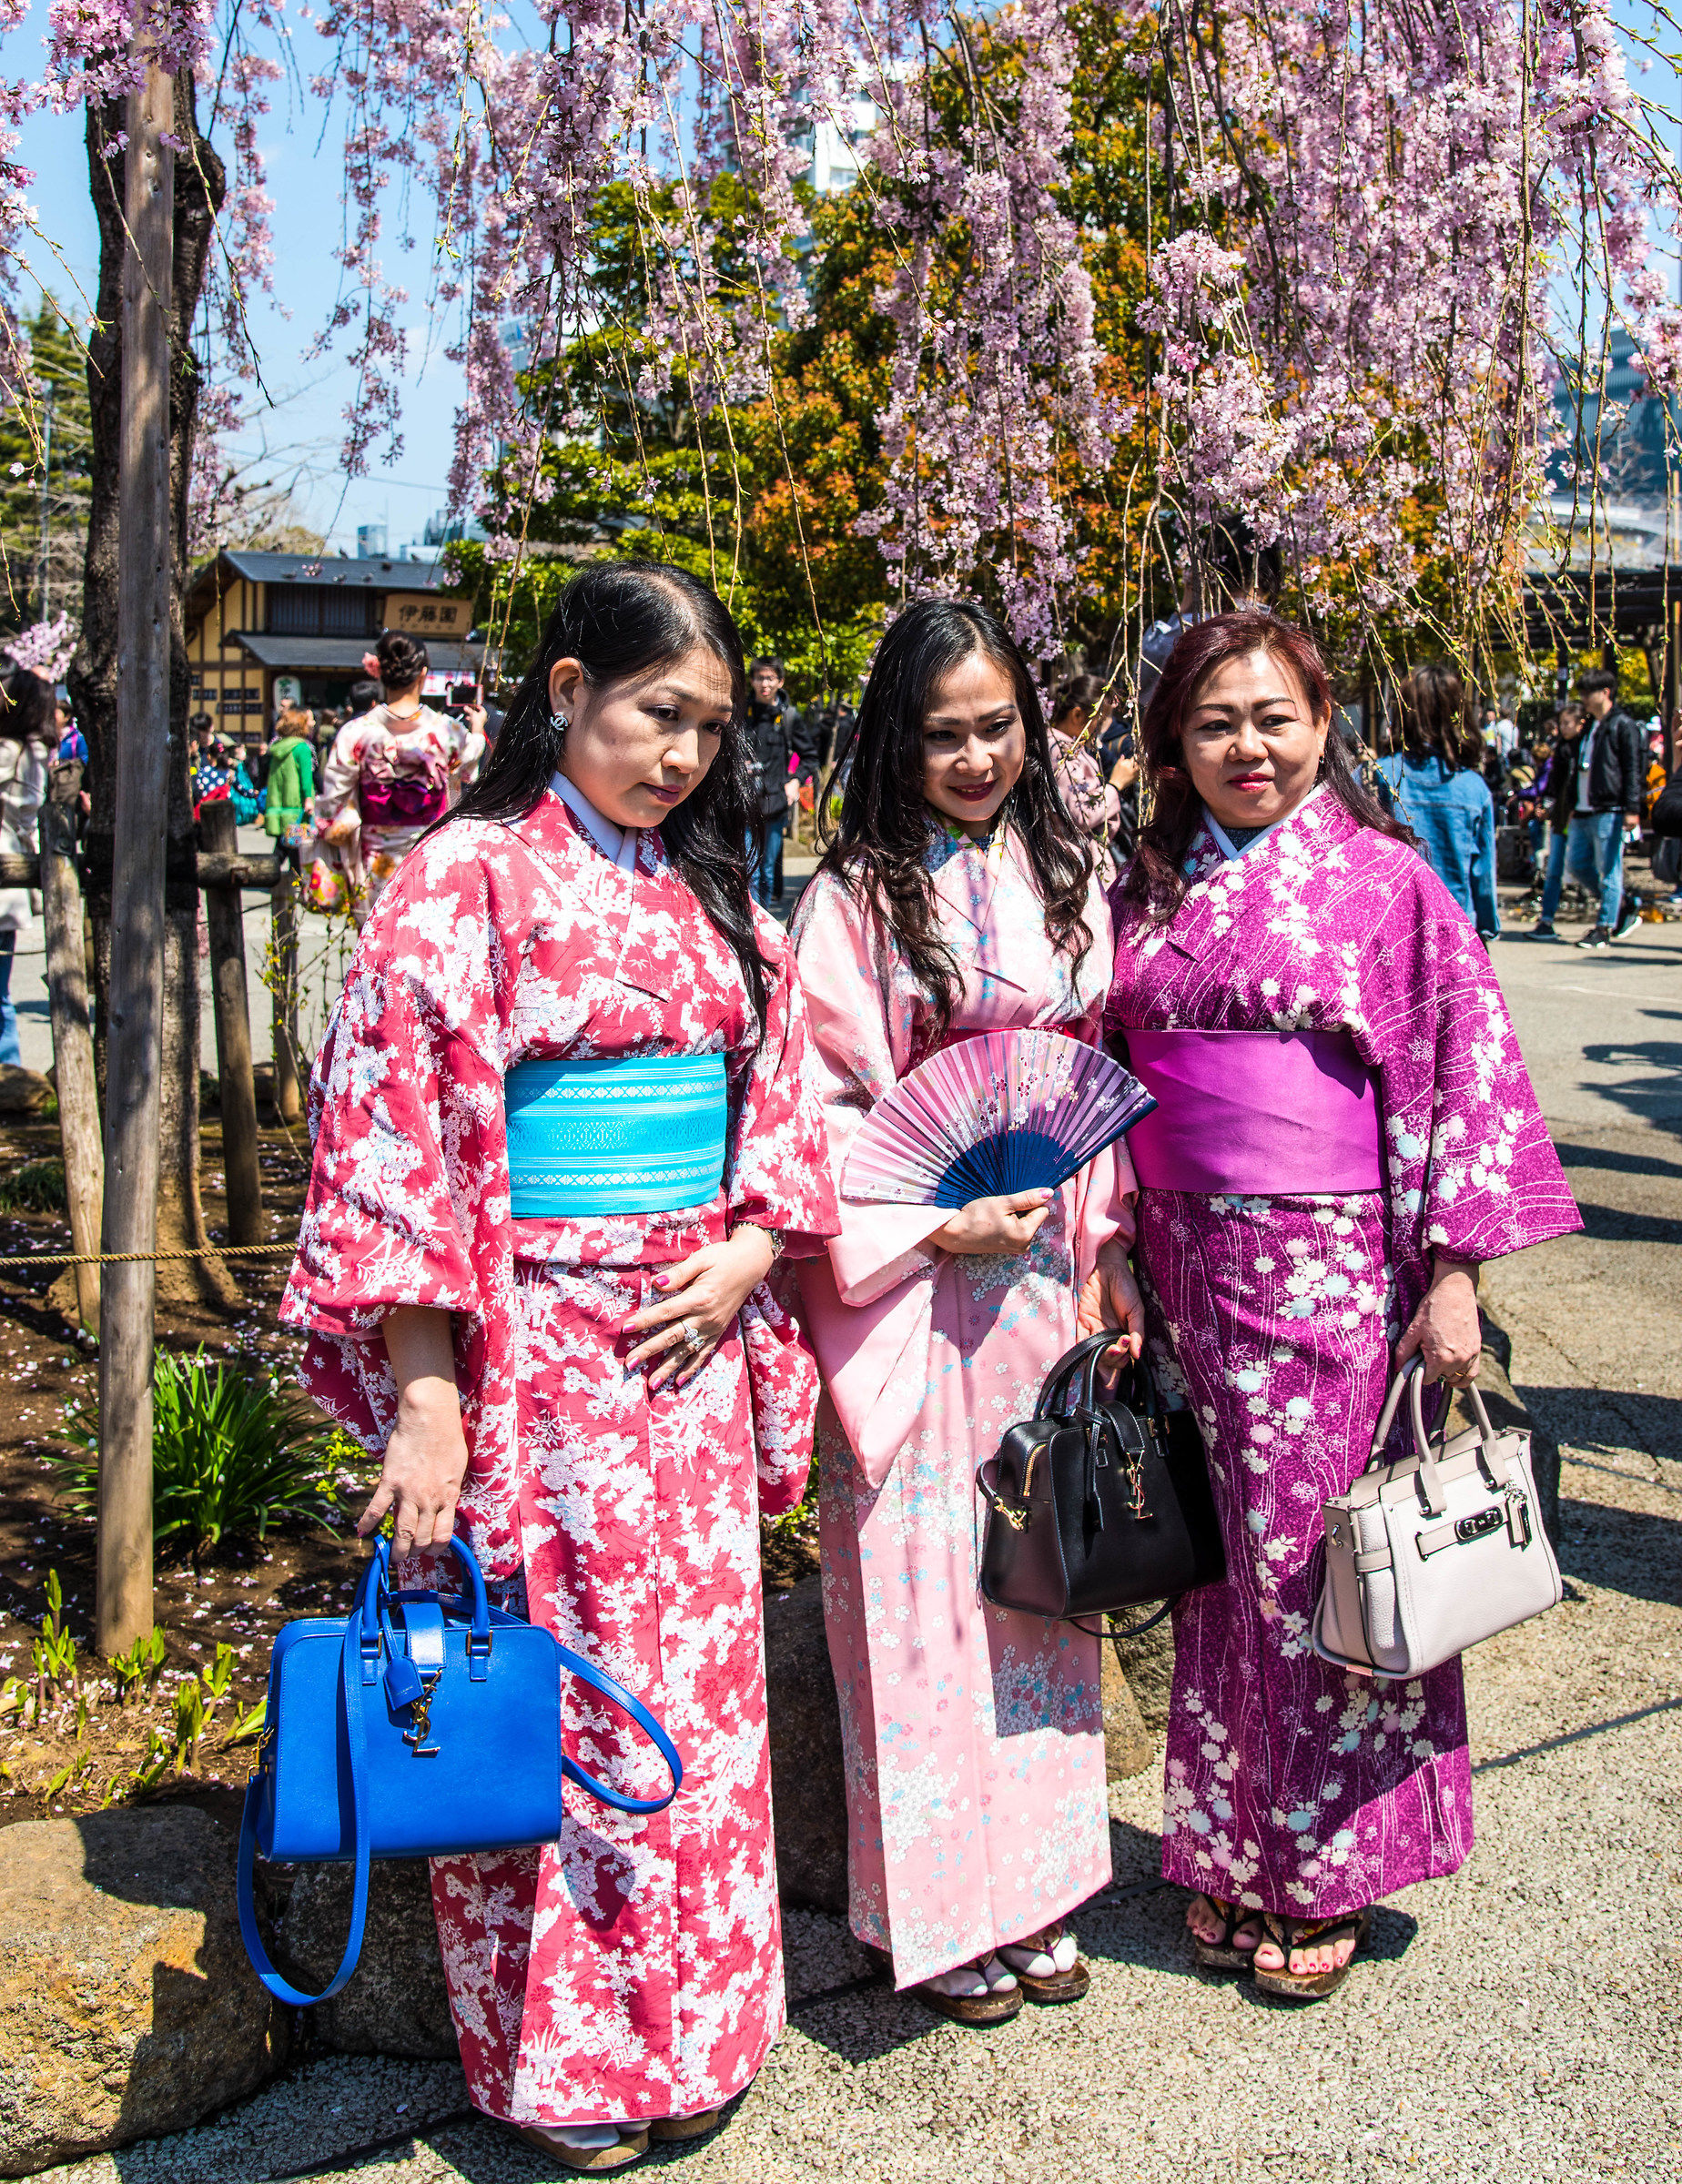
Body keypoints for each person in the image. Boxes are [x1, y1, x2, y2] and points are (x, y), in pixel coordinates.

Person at [281, 560, 841, 2170]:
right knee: (561, 1691)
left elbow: (777, 1108)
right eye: (655, 713)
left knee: (701, 1696)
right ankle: (566, 2070)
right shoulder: (459, 881)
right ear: (564, 691)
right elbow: (398, 1151)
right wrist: (432, 1401)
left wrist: (746, 1253)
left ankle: (705, 2028)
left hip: (691, 1341)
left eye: (707, 730)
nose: (678, 757)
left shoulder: (715, 893)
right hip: (537, 1352)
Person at [1090, 610, 1578, 2000]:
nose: (1247, 747)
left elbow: (1455, 1080)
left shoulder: (1386, 883)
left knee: (1321, 1572)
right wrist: (1111, 1238)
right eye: (1214, 724)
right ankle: (1227, 1851)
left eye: (1273, 718)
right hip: (1183, 1268)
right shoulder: (1147, 890)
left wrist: (1457, 1278)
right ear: (1176, 746)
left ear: (1320, 724)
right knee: (1216, 1575)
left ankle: (1325, 1867)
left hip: (1331, 1272)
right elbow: (1111, 1080)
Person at [790, 598, 1142, 2027]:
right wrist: (936, 1218)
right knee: (921, 1595)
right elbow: (817, 1111)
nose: (980, 756)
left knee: (1039, 1587)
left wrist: (1104, 1239)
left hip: (1046, 1278)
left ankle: (1045, 1886)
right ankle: (935, 1914)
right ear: (896, 740)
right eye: (946, 734)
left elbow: (1094, 1083)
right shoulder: (853, 900)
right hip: (918, 1297)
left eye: (1000, 726)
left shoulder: (1064, 870)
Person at [313, 632, 487, 920]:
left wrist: (329, 822)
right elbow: (469, 763)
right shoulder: (447, 732)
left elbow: (333, 802)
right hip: (433, 855)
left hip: (374, 858)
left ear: (379, 672)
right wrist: (477, 727)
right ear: (423, 674)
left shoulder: (357, 732)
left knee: (377, 943)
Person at [1374, 662, 1501, 941]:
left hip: (1390, 927)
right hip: (1457, 927)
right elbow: (1483, 872)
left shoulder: (1377, 776)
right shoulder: (1474, 788)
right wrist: (1487, 926)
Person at [1536, 670, 1646, 950]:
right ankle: (1621, 904)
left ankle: (1604, 926)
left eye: (1588, 693)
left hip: (1610, 808)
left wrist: (1633, 808)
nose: (1583, 699)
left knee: (1609, 869)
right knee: (1578, 865)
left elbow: (1633, 768)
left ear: (1605, 692)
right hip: (1583, 810)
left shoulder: (1622, 725)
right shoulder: (1589, 730)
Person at [0, 670, 53, 1066]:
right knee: (1, 991)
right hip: (289, 822)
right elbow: (28, 816)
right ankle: (12, 1066)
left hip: (288, 823)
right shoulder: (36, 753)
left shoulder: (10, 749)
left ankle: (11, 1068)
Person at [744, 655, 816, 907]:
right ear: (752, 681)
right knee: (747, 870)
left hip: (775, 803)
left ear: (780, 681)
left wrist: (795, 780)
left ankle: (764, 928)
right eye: (760, 678)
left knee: (766, 871)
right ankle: (748, 929)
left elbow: (809, 756)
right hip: (744, 804)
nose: (765, 684)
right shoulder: (741, 714)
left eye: (770, 678)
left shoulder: (790, 717)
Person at [1048, 672, 1122, 849]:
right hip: (1078, 856)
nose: (1102, 726)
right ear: (1078, 715)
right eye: (1101, 719)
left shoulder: (1060, 745)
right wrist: (1116, 785)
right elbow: (1081, 815)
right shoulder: (1062, 751)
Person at [265, 706, 317, 854]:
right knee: (295, 850)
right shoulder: (302, 748)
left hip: (278, 805)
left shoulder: (276, 747)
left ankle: (272, 875)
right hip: (296, 805)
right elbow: (306, 777)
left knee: (283, 847)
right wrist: (308, 798)